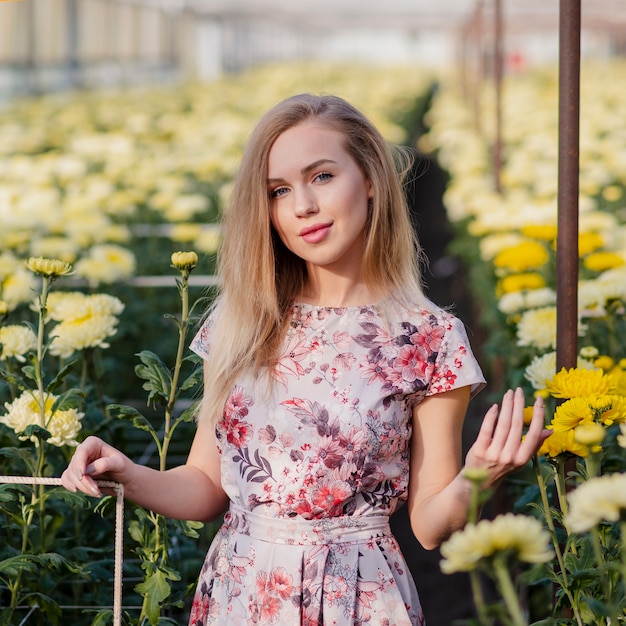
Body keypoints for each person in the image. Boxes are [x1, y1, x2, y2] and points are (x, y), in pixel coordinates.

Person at [62, 93, 551, 626]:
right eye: (279, 190)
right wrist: (126, 474)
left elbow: (431, 525)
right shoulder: (241, 320)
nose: (302, 207)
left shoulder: (430, 337)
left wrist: (478, 476)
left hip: (359, 600)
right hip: (240, 591)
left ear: (371, 180)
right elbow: (204, 485)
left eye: (321, 176)